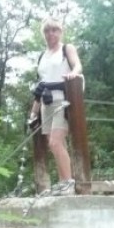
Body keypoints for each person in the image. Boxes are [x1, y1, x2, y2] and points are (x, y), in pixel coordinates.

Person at [28, 17, 84, 197]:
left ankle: (68, 183)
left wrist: (73, 74)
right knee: (54, 145)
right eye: (47, 31)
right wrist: (33, 112)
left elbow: (77, 65)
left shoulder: (66, 48)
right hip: (46, 102)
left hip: (63, 100)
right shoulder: (42, 55)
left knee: (56, 142)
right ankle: (62, 183)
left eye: (54, 30)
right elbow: (41, 84)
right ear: (43, 34)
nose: (51, 34)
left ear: (60, 32)